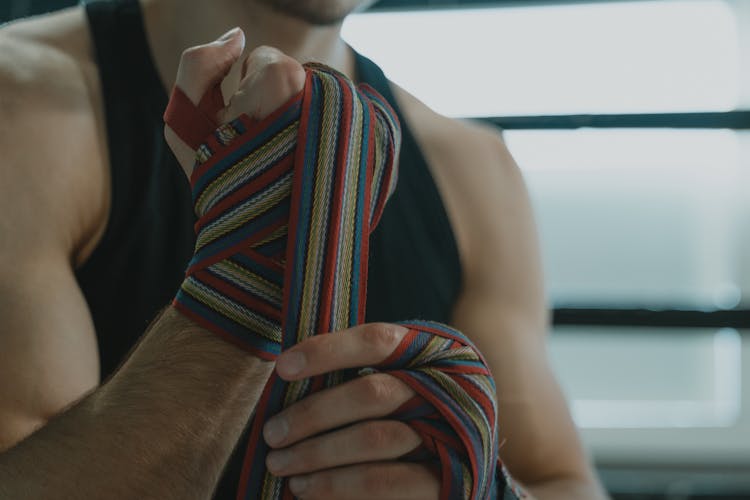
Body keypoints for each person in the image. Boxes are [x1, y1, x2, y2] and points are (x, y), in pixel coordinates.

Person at [0, 0, 608, 498]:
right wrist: (249, 279)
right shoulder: (20, 103)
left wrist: (482, 489)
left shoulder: (474, 168)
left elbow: (563, 484)